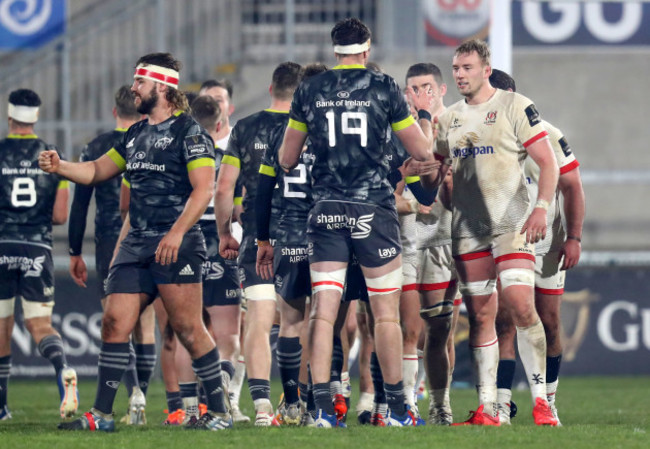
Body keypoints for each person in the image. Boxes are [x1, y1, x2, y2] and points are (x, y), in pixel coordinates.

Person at [40, 52, 231, 432]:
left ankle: (220, 413)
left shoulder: (190, 133)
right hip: (136, 243)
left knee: (189, 329)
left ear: (160, 86)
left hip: (176, 244)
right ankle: (102, 416)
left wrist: (176, 234)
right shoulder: (135, 134)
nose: (134, 89)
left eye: (139, 83)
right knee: (113, 323)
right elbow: (96, 170)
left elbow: (203, 190)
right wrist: (61, 165)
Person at [278, 17, 437, 428]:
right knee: (384, 315)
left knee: (324, 313)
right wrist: (424, 120)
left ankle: (322, 411)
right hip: (373, 211)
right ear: (367, 51)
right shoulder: (383, 88)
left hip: (326, 209)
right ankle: (399, 410)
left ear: (335, 51)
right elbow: (420, 151)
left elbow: (286, 158)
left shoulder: (309, 89)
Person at [430, 39, 559, 426]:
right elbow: (436, 172)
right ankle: (490, 409)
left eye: (466, 68)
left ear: (486, 70)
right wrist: (422, 177)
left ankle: (542, 403)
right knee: (482, 317)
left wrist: (541, 209)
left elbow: (548, 164)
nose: (459, 75)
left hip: (512, 225)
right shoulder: (448, 118)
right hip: (469, 231)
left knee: (520, 304)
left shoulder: (515, 106)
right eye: (455, 68)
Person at [489, 69, 585, 426]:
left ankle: (548, 400)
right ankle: (502, 403)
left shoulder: (546, 135)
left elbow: (572, 186)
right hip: (509, 237)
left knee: (549, 321)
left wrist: (573, 237)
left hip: (548, 241)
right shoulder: (479, 134)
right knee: (506, 319)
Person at [215, 61, 303, 426]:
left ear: (271, 89)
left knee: (259, 319)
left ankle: (262, 407)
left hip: (255, 235)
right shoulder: (308, 128)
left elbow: (223, 188)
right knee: (297, 321)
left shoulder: (245, 128)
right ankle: (298, 402)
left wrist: (224, 233)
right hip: (300, 234)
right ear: (301, 93)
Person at [67, 85, 156, 426]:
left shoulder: (97, 146)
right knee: (144, 325)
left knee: (117, 321)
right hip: (145, 233)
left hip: (109, 239)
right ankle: (142, 398)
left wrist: (75, 250)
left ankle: (132, 392)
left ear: (113, 111)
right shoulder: (149, 139)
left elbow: (80, 204)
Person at [255, 62, 328, 426]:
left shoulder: (282, 133)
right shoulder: (334, 133)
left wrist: (262, 238)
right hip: (329, 234)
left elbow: (262, 189)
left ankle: (292, 403)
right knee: (324, 319)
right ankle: (319, 402)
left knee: (290, 322)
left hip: (289, 233)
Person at [0, 88, 76, 421]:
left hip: (2, 245)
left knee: (2, 328)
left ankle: (1, 407)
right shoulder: (51, 155)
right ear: (37, 116)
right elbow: (60, 216)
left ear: (9, 115)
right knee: (41, 325)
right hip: (38, 247)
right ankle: (63, 368)